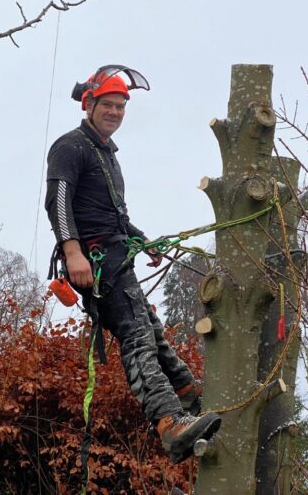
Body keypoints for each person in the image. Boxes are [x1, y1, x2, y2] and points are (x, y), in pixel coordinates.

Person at [44, 65, 221, 463]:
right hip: (95, 262)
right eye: (108, 104)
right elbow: (56, 203)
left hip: (117, 255)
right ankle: (168, 423)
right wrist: (72, 253)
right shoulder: (70, 146)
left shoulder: (105, 152)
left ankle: (189, 393)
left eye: (121, 106)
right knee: (137, 337)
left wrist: (141, 239)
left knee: (151, 331)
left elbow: (113, 212)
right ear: (89, 104)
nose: (116, 112)